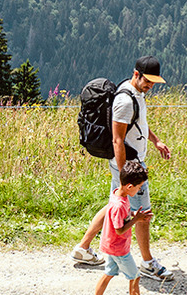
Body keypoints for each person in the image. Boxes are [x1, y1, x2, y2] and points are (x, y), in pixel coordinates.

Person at [71, 57, 173, 279]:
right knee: (143, 212)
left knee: (113, 205)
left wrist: (156, 141)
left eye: (154, 82)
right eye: (148, 81)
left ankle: (83, 248)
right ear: (136, 74)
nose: (151, 86)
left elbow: (138, 123)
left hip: (128, 164)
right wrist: (126, 174)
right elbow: (117, 140)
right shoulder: (125, 101)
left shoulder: (137, 94)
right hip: (129, 165)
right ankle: (147, 263)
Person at [87, 158, 161, 295]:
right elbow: (119, 229)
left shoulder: (117, 194)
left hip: (111, 246)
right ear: (129, 186)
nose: (140, 190)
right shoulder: (119, 204)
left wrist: (135, 215)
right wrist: (136, 220)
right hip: (119, 249)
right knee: (134, 277)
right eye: (139, 187)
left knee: (108, 274)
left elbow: (121, 217)